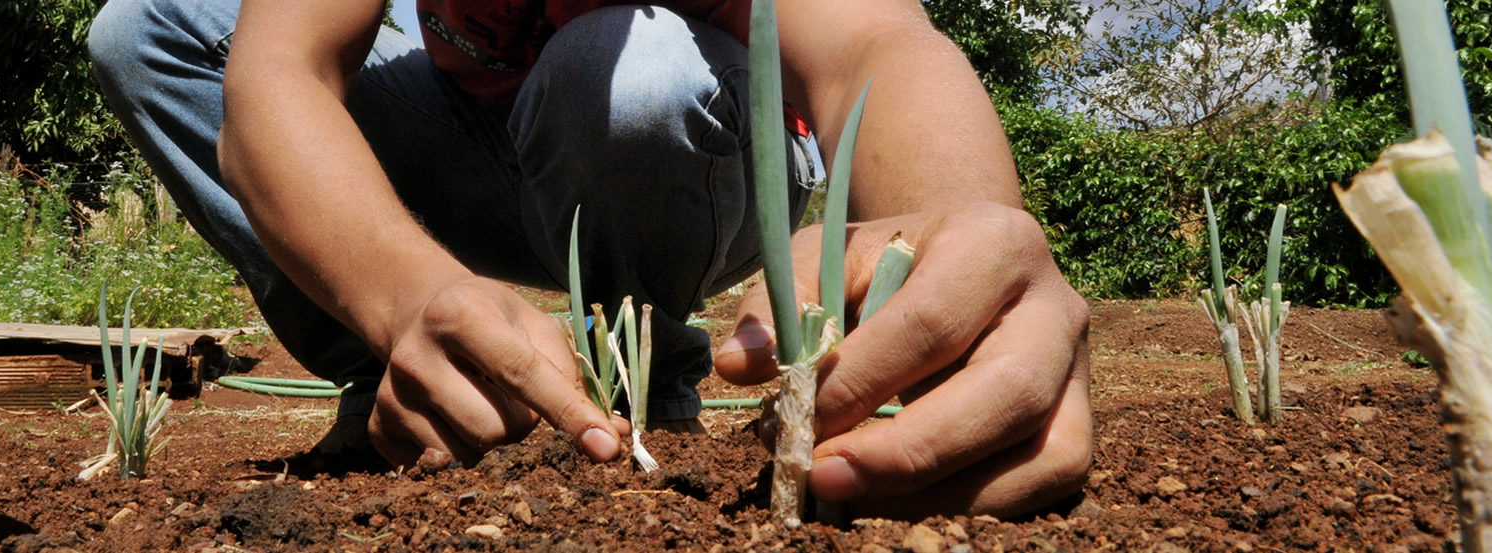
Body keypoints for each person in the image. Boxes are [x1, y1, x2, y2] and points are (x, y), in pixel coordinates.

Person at [87, 0, 1093, 519]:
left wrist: (964, 247)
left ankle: (644, 370)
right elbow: (273, 72)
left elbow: (882, 46)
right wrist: (403, 298)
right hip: (469, 139)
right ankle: (426, 374)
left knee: (629, 76)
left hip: (696, 140)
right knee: (150, 28)